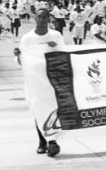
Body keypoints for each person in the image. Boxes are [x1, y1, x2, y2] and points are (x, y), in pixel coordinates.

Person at [13, 8, 65, 157]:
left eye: (45, 18)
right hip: (34, 82)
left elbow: (64, 55)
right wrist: (17, 56)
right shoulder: (27, 38)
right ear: (35, 18)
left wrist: (55, 49)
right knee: (38, 111)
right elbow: (21, 61)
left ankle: (52, 141)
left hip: (52, 81)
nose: (42, 20)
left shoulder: (56, 35)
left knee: (53, 110)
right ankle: (43, 141)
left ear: (49, 19)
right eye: (39, 17)